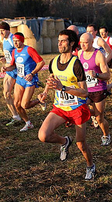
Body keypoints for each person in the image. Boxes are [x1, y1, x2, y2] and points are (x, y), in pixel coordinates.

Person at [37, 30, 95, 180]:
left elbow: (84, 92)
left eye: (63, 41)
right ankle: (64, 141)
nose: (59, 43)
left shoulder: (76, 64)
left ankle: (90, 166)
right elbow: (52, 80)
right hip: (60, 107)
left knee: (81, 144)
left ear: (71, 44)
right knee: (43, 135)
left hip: (77, 108)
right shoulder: (54, 61)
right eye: (59, 40)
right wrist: (44, 93)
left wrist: (63, 88)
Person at [1, 32, 45, 132]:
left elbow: (41, 62)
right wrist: (6, 68)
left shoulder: (29, 50)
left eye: (18, 41)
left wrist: (32, 74)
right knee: (17, 104)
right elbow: (13, 65)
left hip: (30, 80)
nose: (16, 43)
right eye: (14, 41)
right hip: (20, 80)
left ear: (22, 40)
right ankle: (28, 123)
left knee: (25, 105)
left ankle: (39, 101)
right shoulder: (14, 52)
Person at [78, 33, 111, 145]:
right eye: (81, 42)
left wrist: (96, 75)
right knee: (80, 108)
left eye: (85, 42)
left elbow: (107, 75)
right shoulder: (79, 53)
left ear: (92, 42)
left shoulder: (98, 55)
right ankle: (94, 114)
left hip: (98, 90)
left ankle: (106, 135)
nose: (82, 45)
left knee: (99, 119)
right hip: (85, 91)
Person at [0, 22, 20, 126]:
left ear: (8, 30)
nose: (1, 32)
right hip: (10, 70)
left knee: (20, 99)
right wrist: (4, 58)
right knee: (6, 93)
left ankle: (40, 100)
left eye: (2, 30)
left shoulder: (13, 39)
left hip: (18, 70)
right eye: (0, 31)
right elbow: (8, 54)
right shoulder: (4, 40)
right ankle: (15, 116)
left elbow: (20, 52)